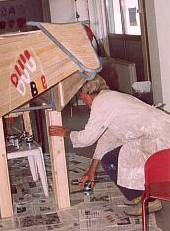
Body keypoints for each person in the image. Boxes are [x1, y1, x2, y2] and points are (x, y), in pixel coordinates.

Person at [49, 75, 170, 216]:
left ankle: (150, 200)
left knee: (114, 160)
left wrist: (67, 133)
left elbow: (87, 138)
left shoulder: (102, 103)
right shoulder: (108, 98)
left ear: (88, 93)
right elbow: (106, 138)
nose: (82, 99)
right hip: (151, 135)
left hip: (158, 137)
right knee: (110, 159)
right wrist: (91, 170)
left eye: (81, 96)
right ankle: (140, 195)